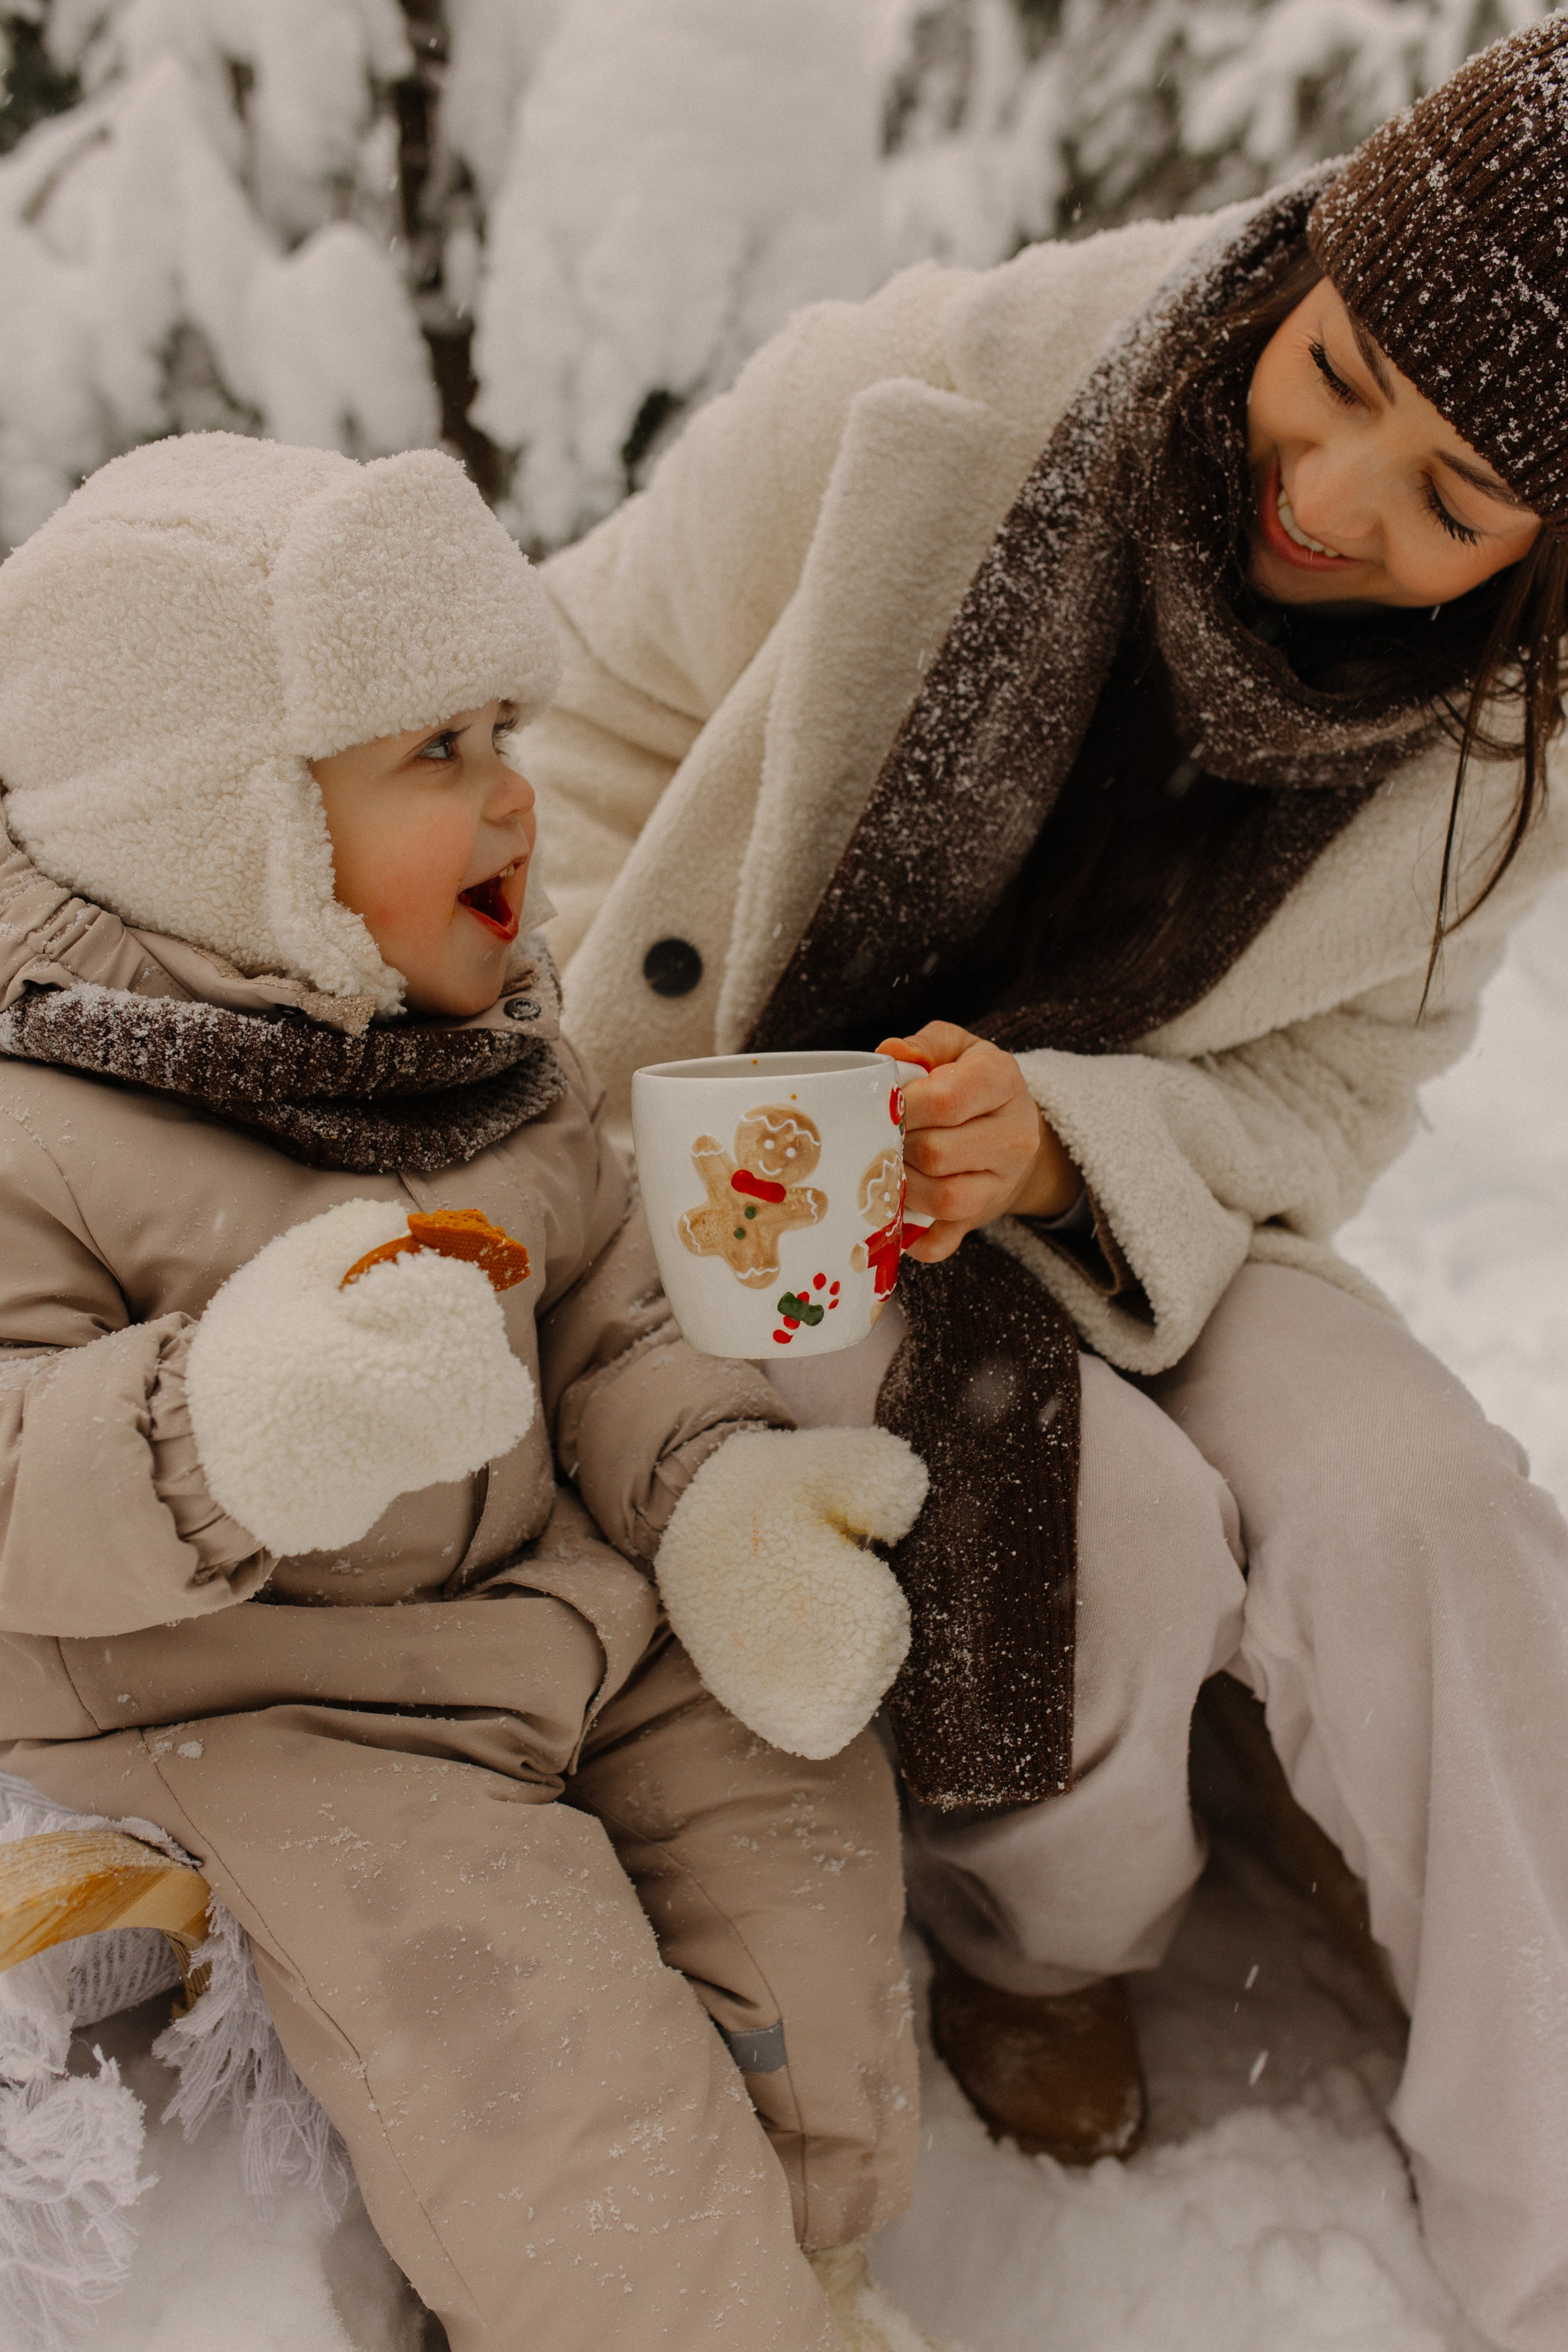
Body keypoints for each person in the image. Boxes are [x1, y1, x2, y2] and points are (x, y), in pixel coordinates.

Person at [519, 21, 1568, 2351]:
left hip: (1127, 1187)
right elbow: (573, 703)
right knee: (1100, 1528)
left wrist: (1080, 1139)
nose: (1338, 485)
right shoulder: (941, 397)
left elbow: (1335, 1090)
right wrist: (608, 1096)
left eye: (1460, 493)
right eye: (1339, 365)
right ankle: (1045, 1952)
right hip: (744, 1159)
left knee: (1424, 1508)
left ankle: (1556, 2182)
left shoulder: (1510, 737)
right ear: (1304, 258)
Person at [0, 432, 950, 2352]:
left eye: (501, 733)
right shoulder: (44, 1128)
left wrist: (714, 1498)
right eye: (436, 754)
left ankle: (807, 2256)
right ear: (231, 821)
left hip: (552, 1608)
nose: (518, 799)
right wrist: (225, 1428)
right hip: (266, 1694)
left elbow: (604, 1303)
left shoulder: (487, 1051)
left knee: (805, 1855)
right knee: (539, 2063)